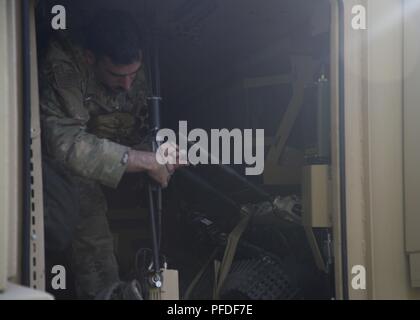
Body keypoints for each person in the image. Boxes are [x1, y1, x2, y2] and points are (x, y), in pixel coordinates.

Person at [39, 10, 179, 299]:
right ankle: (106, 292)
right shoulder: (64, 65)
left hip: (114, 152)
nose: (127, 84)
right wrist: (143, 160)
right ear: (91, 58)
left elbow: (139, 123)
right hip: (62, 166)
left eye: (133, 74)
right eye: (117, 75)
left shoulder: (136, 71)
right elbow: (64, 144)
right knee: (87, 210)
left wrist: (154, 150)